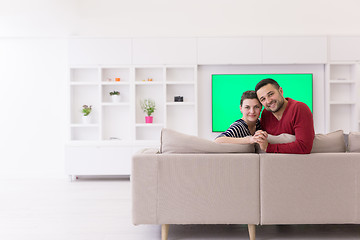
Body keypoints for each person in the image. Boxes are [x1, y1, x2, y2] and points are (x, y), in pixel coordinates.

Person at [254, 78, 315, 153]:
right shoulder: (265, 114)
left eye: (270, 94)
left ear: (280, 91)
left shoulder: (299, 108)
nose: (268, 101)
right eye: (263, 99)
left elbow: (304, 147)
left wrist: (269, 148)